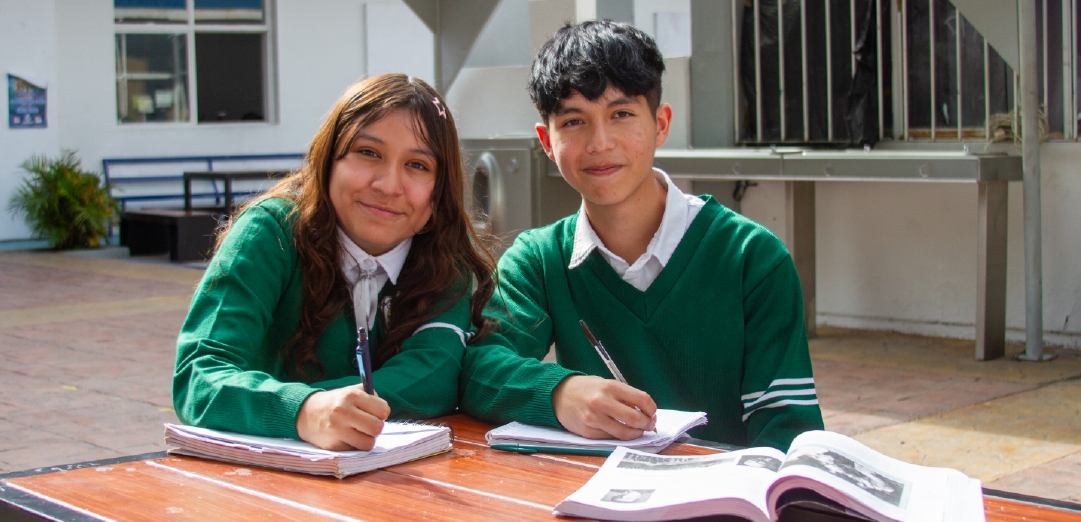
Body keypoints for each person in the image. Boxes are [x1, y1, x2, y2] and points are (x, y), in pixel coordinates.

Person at [459, 21, 823, 451]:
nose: (600, 142)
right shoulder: (539, 261)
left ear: (661, 124)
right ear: (547, 142)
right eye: (574, 121)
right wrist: (558, 392)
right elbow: (475, 367)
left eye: (622, 114)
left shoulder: (753, 258)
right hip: (597, 498)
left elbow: (789, 433)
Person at [173, 74, 495, 451]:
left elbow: (434, 378)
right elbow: (198, 374)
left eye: (418, 165)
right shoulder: (270, 232)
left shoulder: (444, 260)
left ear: (439, 194)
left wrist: (337, 408)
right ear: (328, 160)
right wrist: (303, 410)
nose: (389, 185)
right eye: (369, 153)